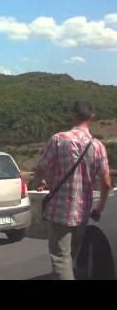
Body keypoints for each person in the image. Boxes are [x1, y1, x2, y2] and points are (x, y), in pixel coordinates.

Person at [34, 100, 111, 280]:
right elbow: (106, 183)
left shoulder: (59, 139)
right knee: (73, 255)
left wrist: (40, 181)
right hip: (83, 212)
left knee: (61, 258)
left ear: (72, 113)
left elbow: (40, 169)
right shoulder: (98, 146)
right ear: (93, 117)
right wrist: (99, 208)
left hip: (60, 212)